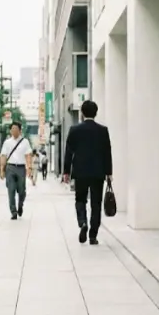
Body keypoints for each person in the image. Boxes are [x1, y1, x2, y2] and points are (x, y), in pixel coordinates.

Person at [63, 100, 112, 245]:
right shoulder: (103, 131)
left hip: (80, 171)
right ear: (96, 113)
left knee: (80, 200)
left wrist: (66, 171)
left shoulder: (74, 130)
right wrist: (109, 172)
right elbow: (107, 153)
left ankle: (82, 222)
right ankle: (93, 235)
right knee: (96, 203)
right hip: (98, 172)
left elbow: (68, 153)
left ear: (82, 113)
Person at [0, 122, 33, 220]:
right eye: (12, 129)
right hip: (10, 168)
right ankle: (13, 212)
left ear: (20, 130)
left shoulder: (25, 142)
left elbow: (28, 155)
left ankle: (20, 205)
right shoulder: (7, 142)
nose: (14, 130)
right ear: (10, 130)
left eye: (16, 129)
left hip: (21, 168)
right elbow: (3, 156)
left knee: (22, 190)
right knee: (11, 190)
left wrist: (29, 168)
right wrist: (2, 169)